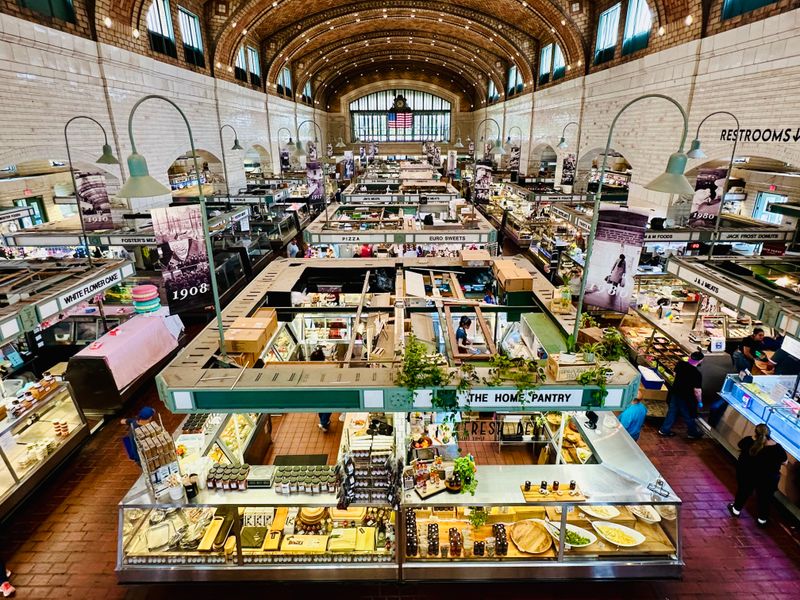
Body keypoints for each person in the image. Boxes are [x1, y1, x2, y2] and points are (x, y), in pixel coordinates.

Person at [728, 423, 787, 528]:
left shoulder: (748, 441)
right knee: (765, 498)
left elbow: (739, 445)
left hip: (748, 474)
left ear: (755, 434)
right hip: (768, 479)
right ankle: (762, 520)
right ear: (769, 434)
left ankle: (736, 510)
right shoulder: (777, 448)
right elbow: (785, 462)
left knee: (743, 491)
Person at [659, 351, 704, 439]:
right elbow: (697, 391)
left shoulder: (681, 364)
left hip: (675, 392)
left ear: (689, 357)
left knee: (672, 411)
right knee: (688, 415)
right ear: (700, 361)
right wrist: (700, 401)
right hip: (686, 397)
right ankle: (692, 432)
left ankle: (664, 430)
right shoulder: (697, 374)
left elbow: (675, 374)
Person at [310, 347, 332, 432]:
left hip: (317, 391)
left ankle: (324, 423)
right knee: (327, 406)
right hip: (327, 390)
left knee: (322, 407)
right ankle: (324, 422)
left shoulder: (311, 368)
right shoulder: (328, 365)